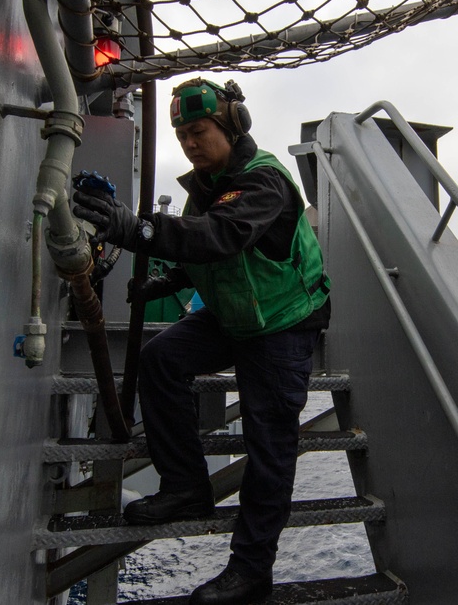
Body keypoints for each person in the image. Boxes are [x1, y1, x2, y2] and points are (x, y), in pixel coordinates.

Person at [73, 77, 331, 605]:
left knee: (269, 448)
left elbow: (223, 236)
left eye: (200, 131)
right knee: (161, 360)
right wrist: (168, 282)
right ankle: (187, 487)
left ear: (232, 127)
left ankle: (251, 571)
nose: (190, 142)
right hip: (236, 316)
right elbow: (210, 253)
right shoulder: (208, 187)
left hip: (282, 325)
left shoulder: (264, 182)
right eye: (183, 134)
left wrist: (138, 230)